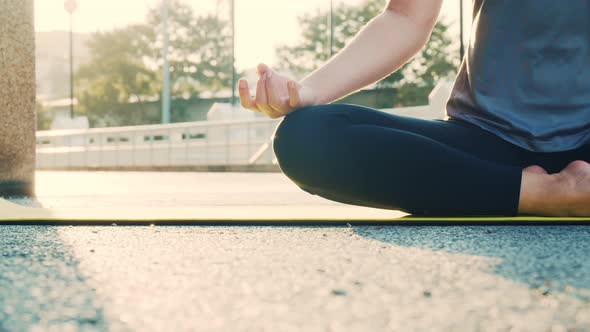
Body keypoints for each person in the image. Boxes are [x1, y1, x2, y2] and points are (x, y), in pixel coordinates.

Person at [237, 0, 590, 217]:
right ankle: (542, 193)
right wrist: (309, 90)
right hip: (487, 142)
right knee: (307, 138)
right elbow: (407, 19)